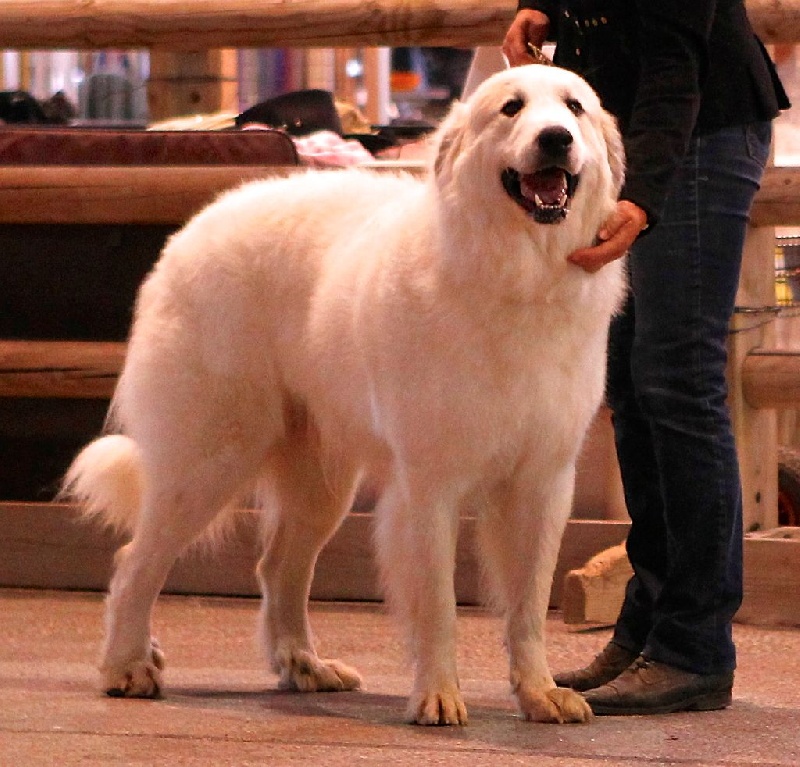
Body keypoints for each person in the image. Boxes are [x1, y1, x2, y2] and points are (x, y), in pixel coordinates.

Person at [504, 1, 789, 715]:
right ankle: (646, 629)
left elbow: (675, 65)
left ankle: (694, 648)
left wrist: (642, 201)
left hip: (698, 130)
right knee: (631, 386)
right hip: (625, 125)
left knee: (677, 380)